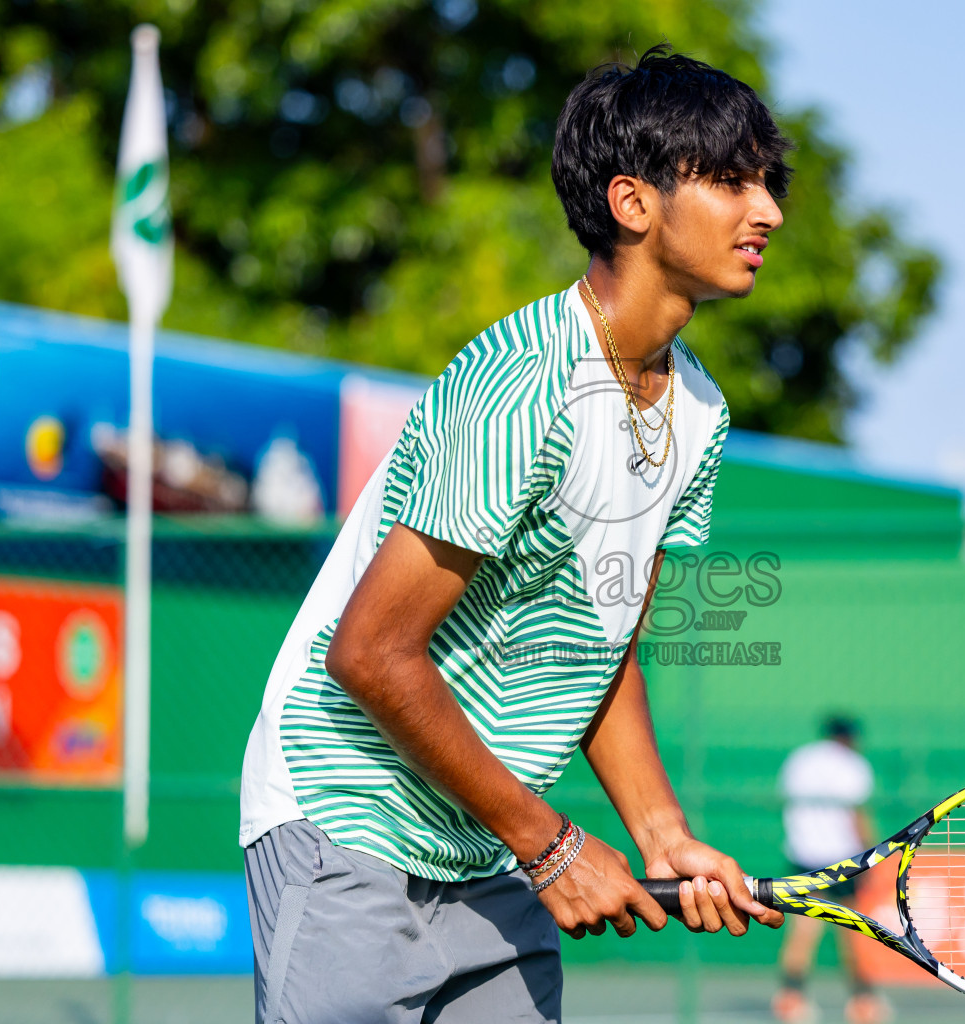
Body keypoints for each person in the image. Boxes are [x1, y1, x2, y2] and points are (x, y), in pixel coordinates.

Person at [238, 45, 790, 1024]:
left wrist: (658, 833)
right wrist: (551, 844)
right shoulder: (522, 383)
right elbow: (369, 653)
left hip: (487, 849)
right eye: (732, 179)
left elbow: (605, 644)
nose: (768, 212)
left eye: (768, 182)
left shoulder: (699, 409)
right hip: (346, 820)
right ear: (633, 202)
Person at [772, 716, 891, 1024]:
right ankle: (862, 1001)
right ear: (849, 738)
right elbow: (858, 815)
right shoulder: (852, 765)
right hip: (842, 859)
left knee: (803, 929)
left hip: (802, 854)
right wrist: (871, 857)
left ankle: (790, 997)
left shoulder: (800, 760)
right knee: (854, 929)